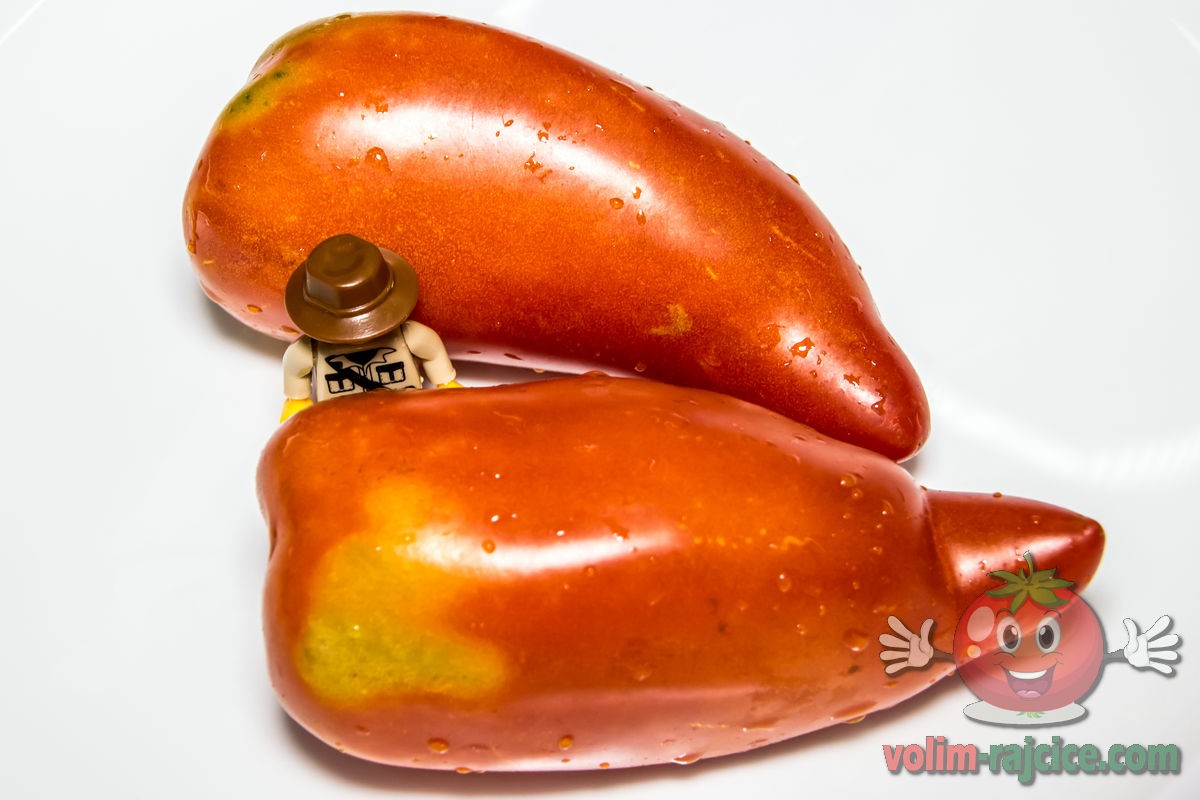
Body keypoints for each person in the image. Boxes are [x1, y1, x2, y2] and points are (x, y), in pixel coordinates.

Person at [279, 233, 460, 421]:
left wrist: (446, 383)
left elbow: (432, 351)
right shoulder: (309, 350)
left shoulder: (409, 336)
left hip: (405, 411)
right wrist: (297, 401)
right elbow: (294, 366)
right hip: (343, 420)